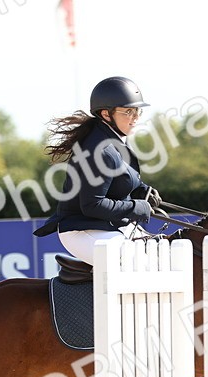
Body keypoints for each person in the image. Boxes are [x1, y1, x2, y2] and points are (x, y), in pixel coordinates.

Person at [33, 76, 163, 264]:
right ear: (106, 114)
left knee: (159, 252)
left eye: (137, 111)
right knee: (136, 262)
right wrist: (136, 207)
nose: (135, 117)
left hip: (106, 225)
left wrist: (141, 191)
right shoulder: (98, 151)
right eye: (128, 111)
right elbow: (92, 205)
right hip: (82, 230)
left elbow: (119, 181)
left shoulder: (114, 139)